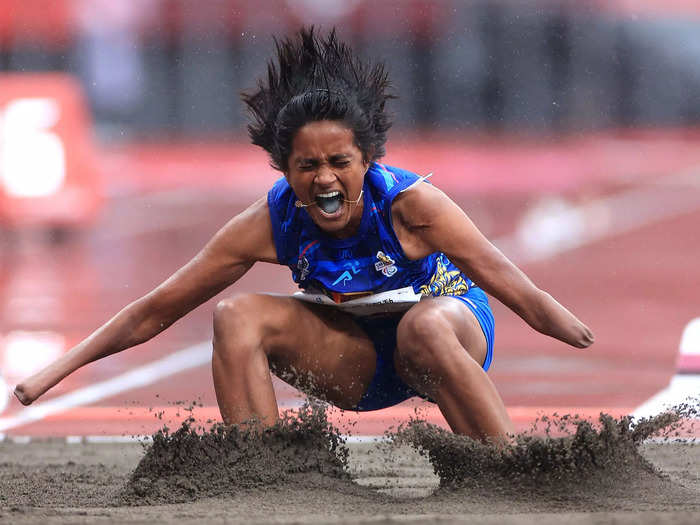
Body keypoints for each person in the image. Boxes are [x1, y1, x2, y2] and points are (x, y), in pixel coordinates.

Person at [13, 28, 593, 443]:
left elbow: (514, 287)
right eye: (306, 167)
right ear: (285, 172)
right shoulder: (273, 220)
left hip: (445, 342)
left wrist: (564, 325)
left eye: (339, 162)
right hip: (357, 363)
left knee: (425, 326)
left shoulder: (414, 207)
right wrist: (57, 370)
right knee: (235, 316)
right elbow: (156, 308)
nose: (324, 179)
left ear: (367, 160)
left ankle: (511, 469)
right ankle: (265, 473)